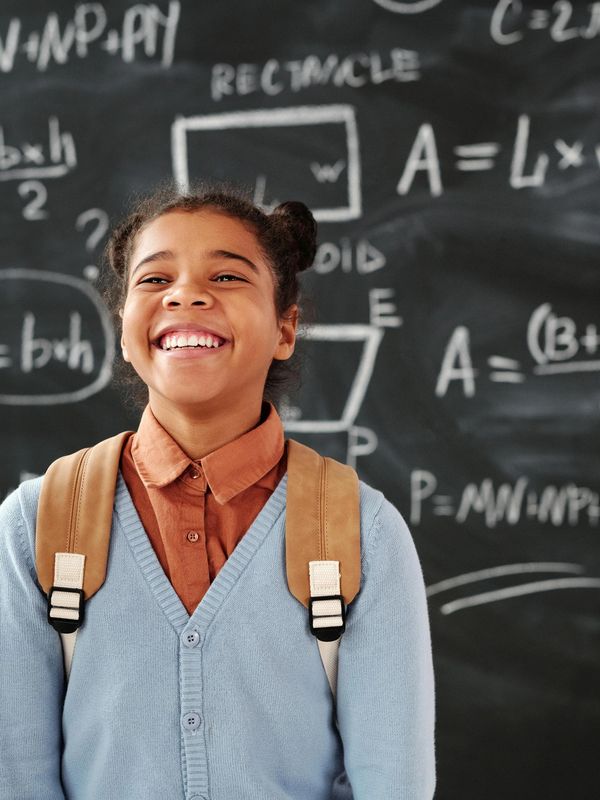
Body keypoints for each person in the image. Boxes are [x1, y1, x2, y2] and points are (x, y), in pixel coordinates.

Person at [0, 181, 436, 799]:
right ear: (125, 330)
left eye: (228, 278)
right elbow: (15, 776)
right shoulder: (38, 523)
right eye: (153, 281)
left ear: (286, 328)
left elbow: (393, 783)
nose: (186, 294)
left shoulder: (360, 530)